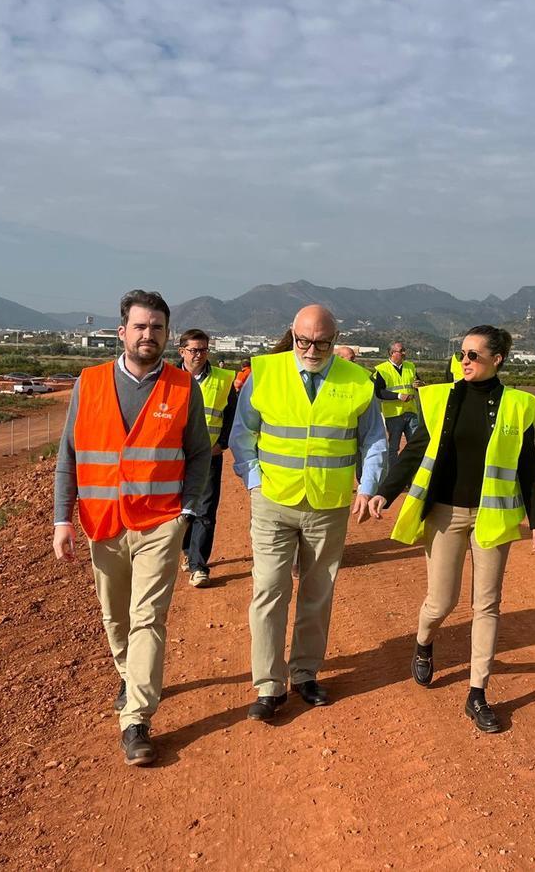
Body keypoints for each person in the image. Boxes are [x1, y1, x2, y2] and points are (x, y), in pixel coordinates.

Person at [52, 289, 211, 766]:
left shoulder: (183, 387)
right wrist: (62, 518)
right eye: (140, 326)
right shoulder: (90, 382)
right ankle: (129, 672)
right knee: (115, 617)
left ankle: (137, 720)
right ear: (122, 332)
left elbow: (200, 453)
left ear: (167, 335)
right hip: (103, 523)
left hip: (160, 521)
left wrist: (186, 509)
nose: (149, 335)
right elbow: (69, 457)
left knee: (148, 617)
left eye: (157, 328)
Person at [370, 326, 535, 734]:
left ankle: (477, 692)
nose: (464, 361)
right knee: (440, 603)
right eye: (462, 354)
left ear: (497, 359)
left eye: (473, 355)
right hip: (445, 516)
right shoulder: (440, 398)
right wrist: (386, 492)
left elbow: (527, 467)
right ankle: (424, 642)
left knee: (487, 605)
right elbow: (415, 451)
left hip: (492, 517)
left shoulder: (519, 406)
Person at [231, 305, 388, 722]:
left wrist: (368, 485)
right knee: (268, 590)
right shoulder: (264, 372)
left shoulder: (358, 381)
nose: (311, 349)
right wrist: (254, 481)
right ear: (292, 334)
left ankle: (305, 673)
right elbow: (242, 433)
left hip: (328, 505)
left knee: (318, 593)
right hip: (273, 502)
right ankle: (268, 685)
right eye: (303, 340)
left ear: (335, 339)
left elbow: (373, 439)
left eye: (321, 342)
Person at [176, 329, 238, 588]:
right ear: (182, 352)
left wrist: (222, 444)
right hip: (173, 459)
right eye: (193, 350)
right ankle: (186, 550)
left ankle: (199, 565)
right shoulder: (166, 378)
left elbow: (233, 415)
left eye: (203, 349)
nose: (199, 355)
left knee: (205, 511)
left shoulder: (224, 379)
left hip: (208, 456)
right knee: (178, 509)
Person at [373, 341, 422, 461]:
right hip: (394, 414)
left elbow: (420, 382)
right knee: (393, 447)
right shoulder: (382, 369)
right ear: (392, 353)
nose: (404, 353)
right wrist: (399, 396)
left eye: (404, 350)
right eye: (401, 351)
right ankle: (393, 474)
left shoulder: (410, 366)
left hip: (411, 411)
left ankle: (413, 472)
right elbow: (379, 392)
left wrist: (420, 385)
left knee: (416, 445)